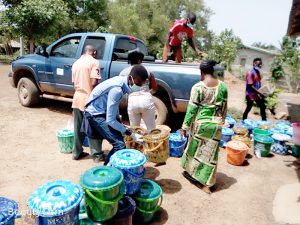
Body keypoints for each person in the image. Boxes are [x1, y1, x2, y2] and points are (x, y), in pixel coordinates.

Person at [85, 65, 148, 165]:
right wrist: (130, 134)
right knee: (119, 145)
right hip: (95, 113)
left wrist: (120, 122)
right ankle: (108, 171)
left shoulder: (122, 82)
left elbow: (114, 105)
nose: (139, 86)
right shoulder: (117, 89)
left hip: (102, 111)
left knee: (119, 139)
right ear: (133, 78)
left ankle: (109, 166)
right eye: (139, 83)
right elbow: (110, 120)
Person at [180, 60, 228, 194]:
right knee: (210, 155)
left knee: (194, 151)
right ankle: (207, 183)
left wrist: (185, 126)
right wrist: (221, 122)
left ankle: (194, 175)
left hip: (200, 125)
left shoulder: (198, 87)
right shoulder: (223, 87)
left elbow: (192, 109)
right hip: (215, 126)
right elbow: (224, 108)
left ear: (202, 72)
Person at [71, 45, 103, 162]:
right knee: (93, 128)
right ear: (93, 52)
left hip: (77, 97)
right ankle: (96, 155)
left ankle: (76, 153)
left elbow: (74, 83)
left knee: (78, 127)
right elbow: (94, 82)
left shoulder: (76, 63)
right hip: (89, 99)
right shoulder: (94, 62)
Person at [119, 49, 158, 130]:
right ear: (140, 60)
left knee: (135, 130)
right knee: (152, 130)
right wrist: (149, 93)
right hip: (146, 99)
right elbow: (155, 88)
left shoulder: (123, 72)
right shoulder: (148, 70)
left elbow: (121, 89)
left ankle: (136, 142)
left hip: (132, 100)